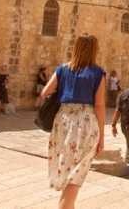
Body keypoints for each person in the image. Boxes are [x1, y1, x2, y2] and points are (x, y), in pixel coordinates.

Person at [37, 34, 107, 209]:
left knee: (69, 170)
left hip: (63, 122)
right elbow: (99, 106)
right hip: (85, 124)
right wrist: (102, 138)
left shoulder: (62, 69)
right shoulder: (97, 73)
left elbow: (44, 92)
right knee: (76, 175)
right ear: (94, 50)